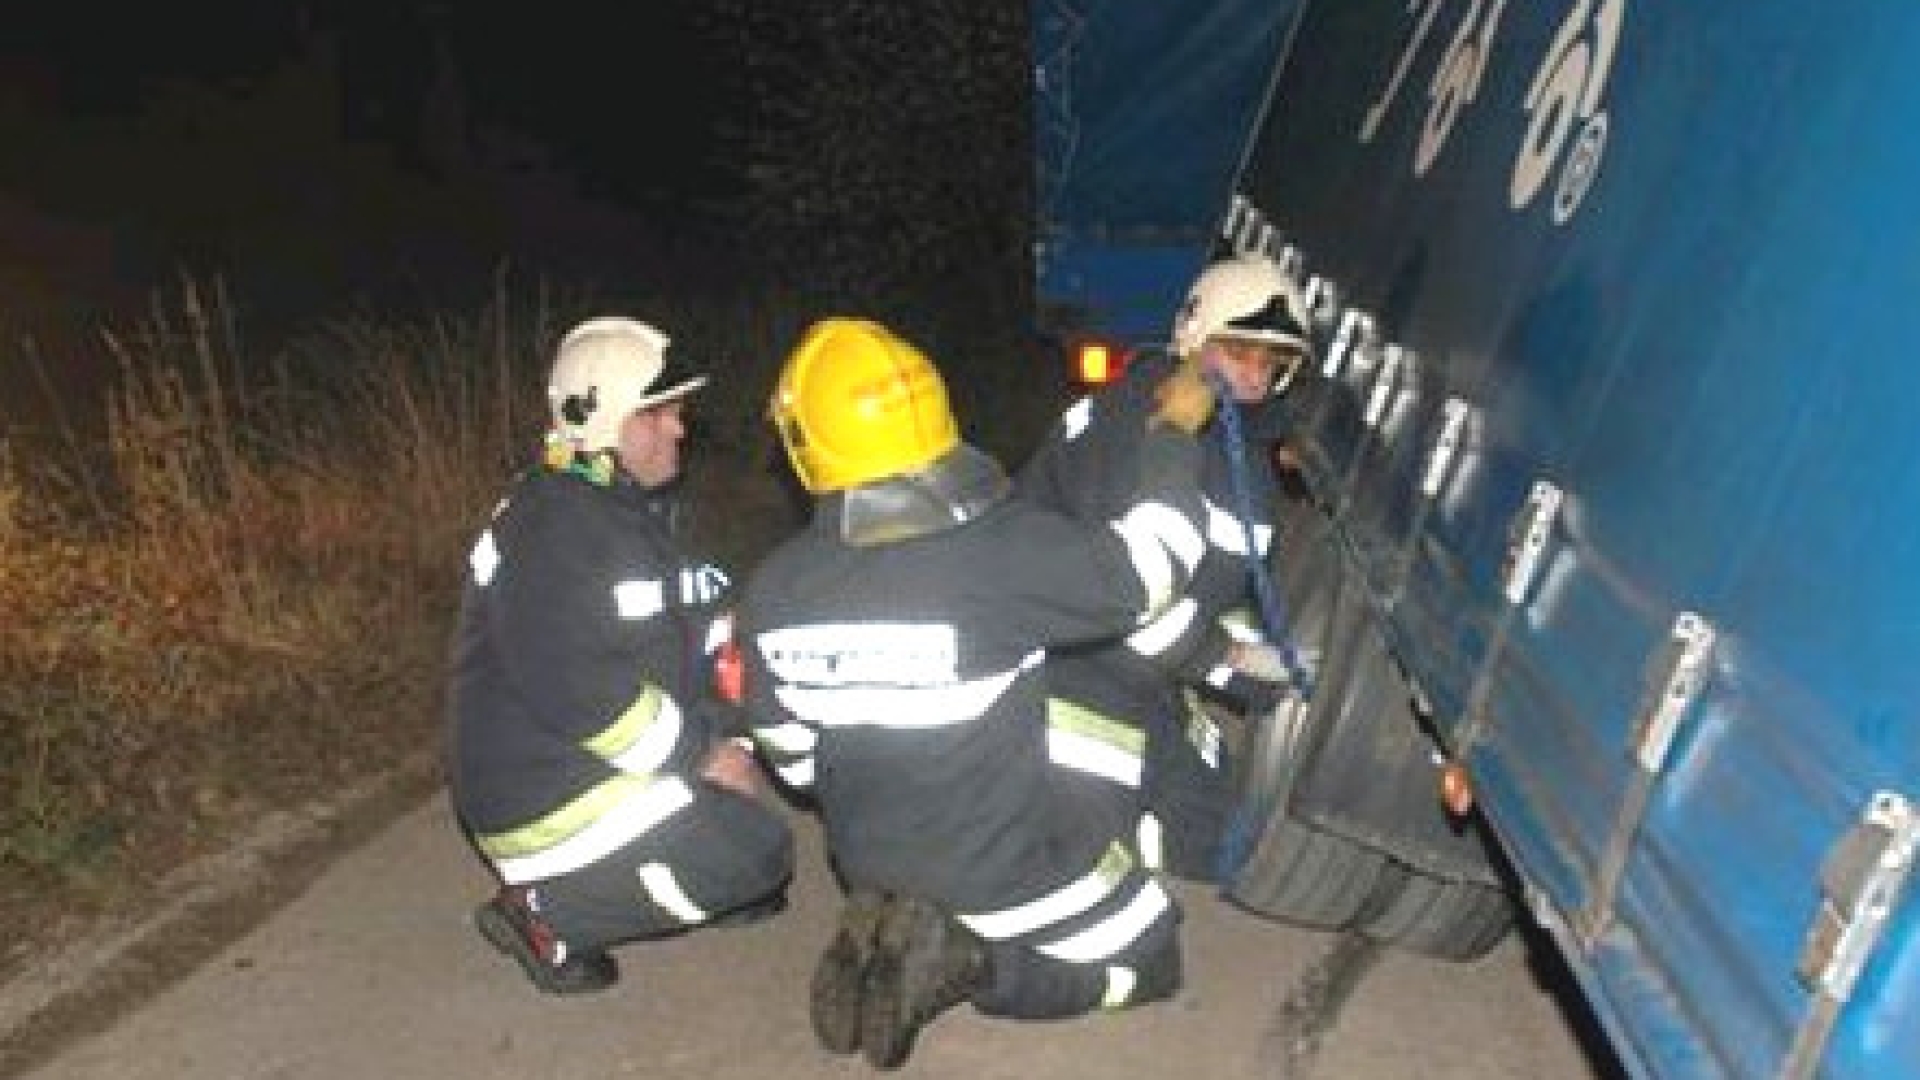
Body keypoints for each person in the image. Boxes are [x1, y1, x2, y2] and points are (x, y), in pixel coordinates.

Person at [739, 317, 1217, 1068]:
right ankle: (971, 964)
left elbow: (797, 766)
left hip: (863, 858)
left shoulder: (771, 592)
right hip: (1001, 873)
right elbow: (1155, 565)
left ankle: (895, 919)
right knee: (1149, 953)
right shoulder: (1000, 554)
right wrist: (1172, 435)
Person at [448, 315, 793, 995]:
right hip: (546, 792)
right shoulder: (556, 527)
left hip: (575, 764)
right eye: (658, 413)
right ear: (603, 421)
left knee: (742, 815)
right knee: (751, 856)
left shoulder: (608, 505)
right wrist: (703, 754)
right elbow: (586, 696)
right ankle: (545, 913)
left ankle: (687, 861)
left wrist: (736, 704)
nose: (679, 429)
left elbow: (678, 631)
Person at [1018, 252, 1314, 883]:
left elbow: (1214, 585)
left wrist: (1277, 656)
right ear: (1195, 339)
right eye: (1238, 352)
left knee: (1223, 840)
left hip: (1141, 672)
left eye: (1272, 362)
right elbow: (1131, 609)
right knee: (1081, 860)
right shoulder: (1136, 430)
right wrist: (1236, 668)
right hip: (1064, 671)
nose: (1255, 375)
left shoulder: (1238, 445)